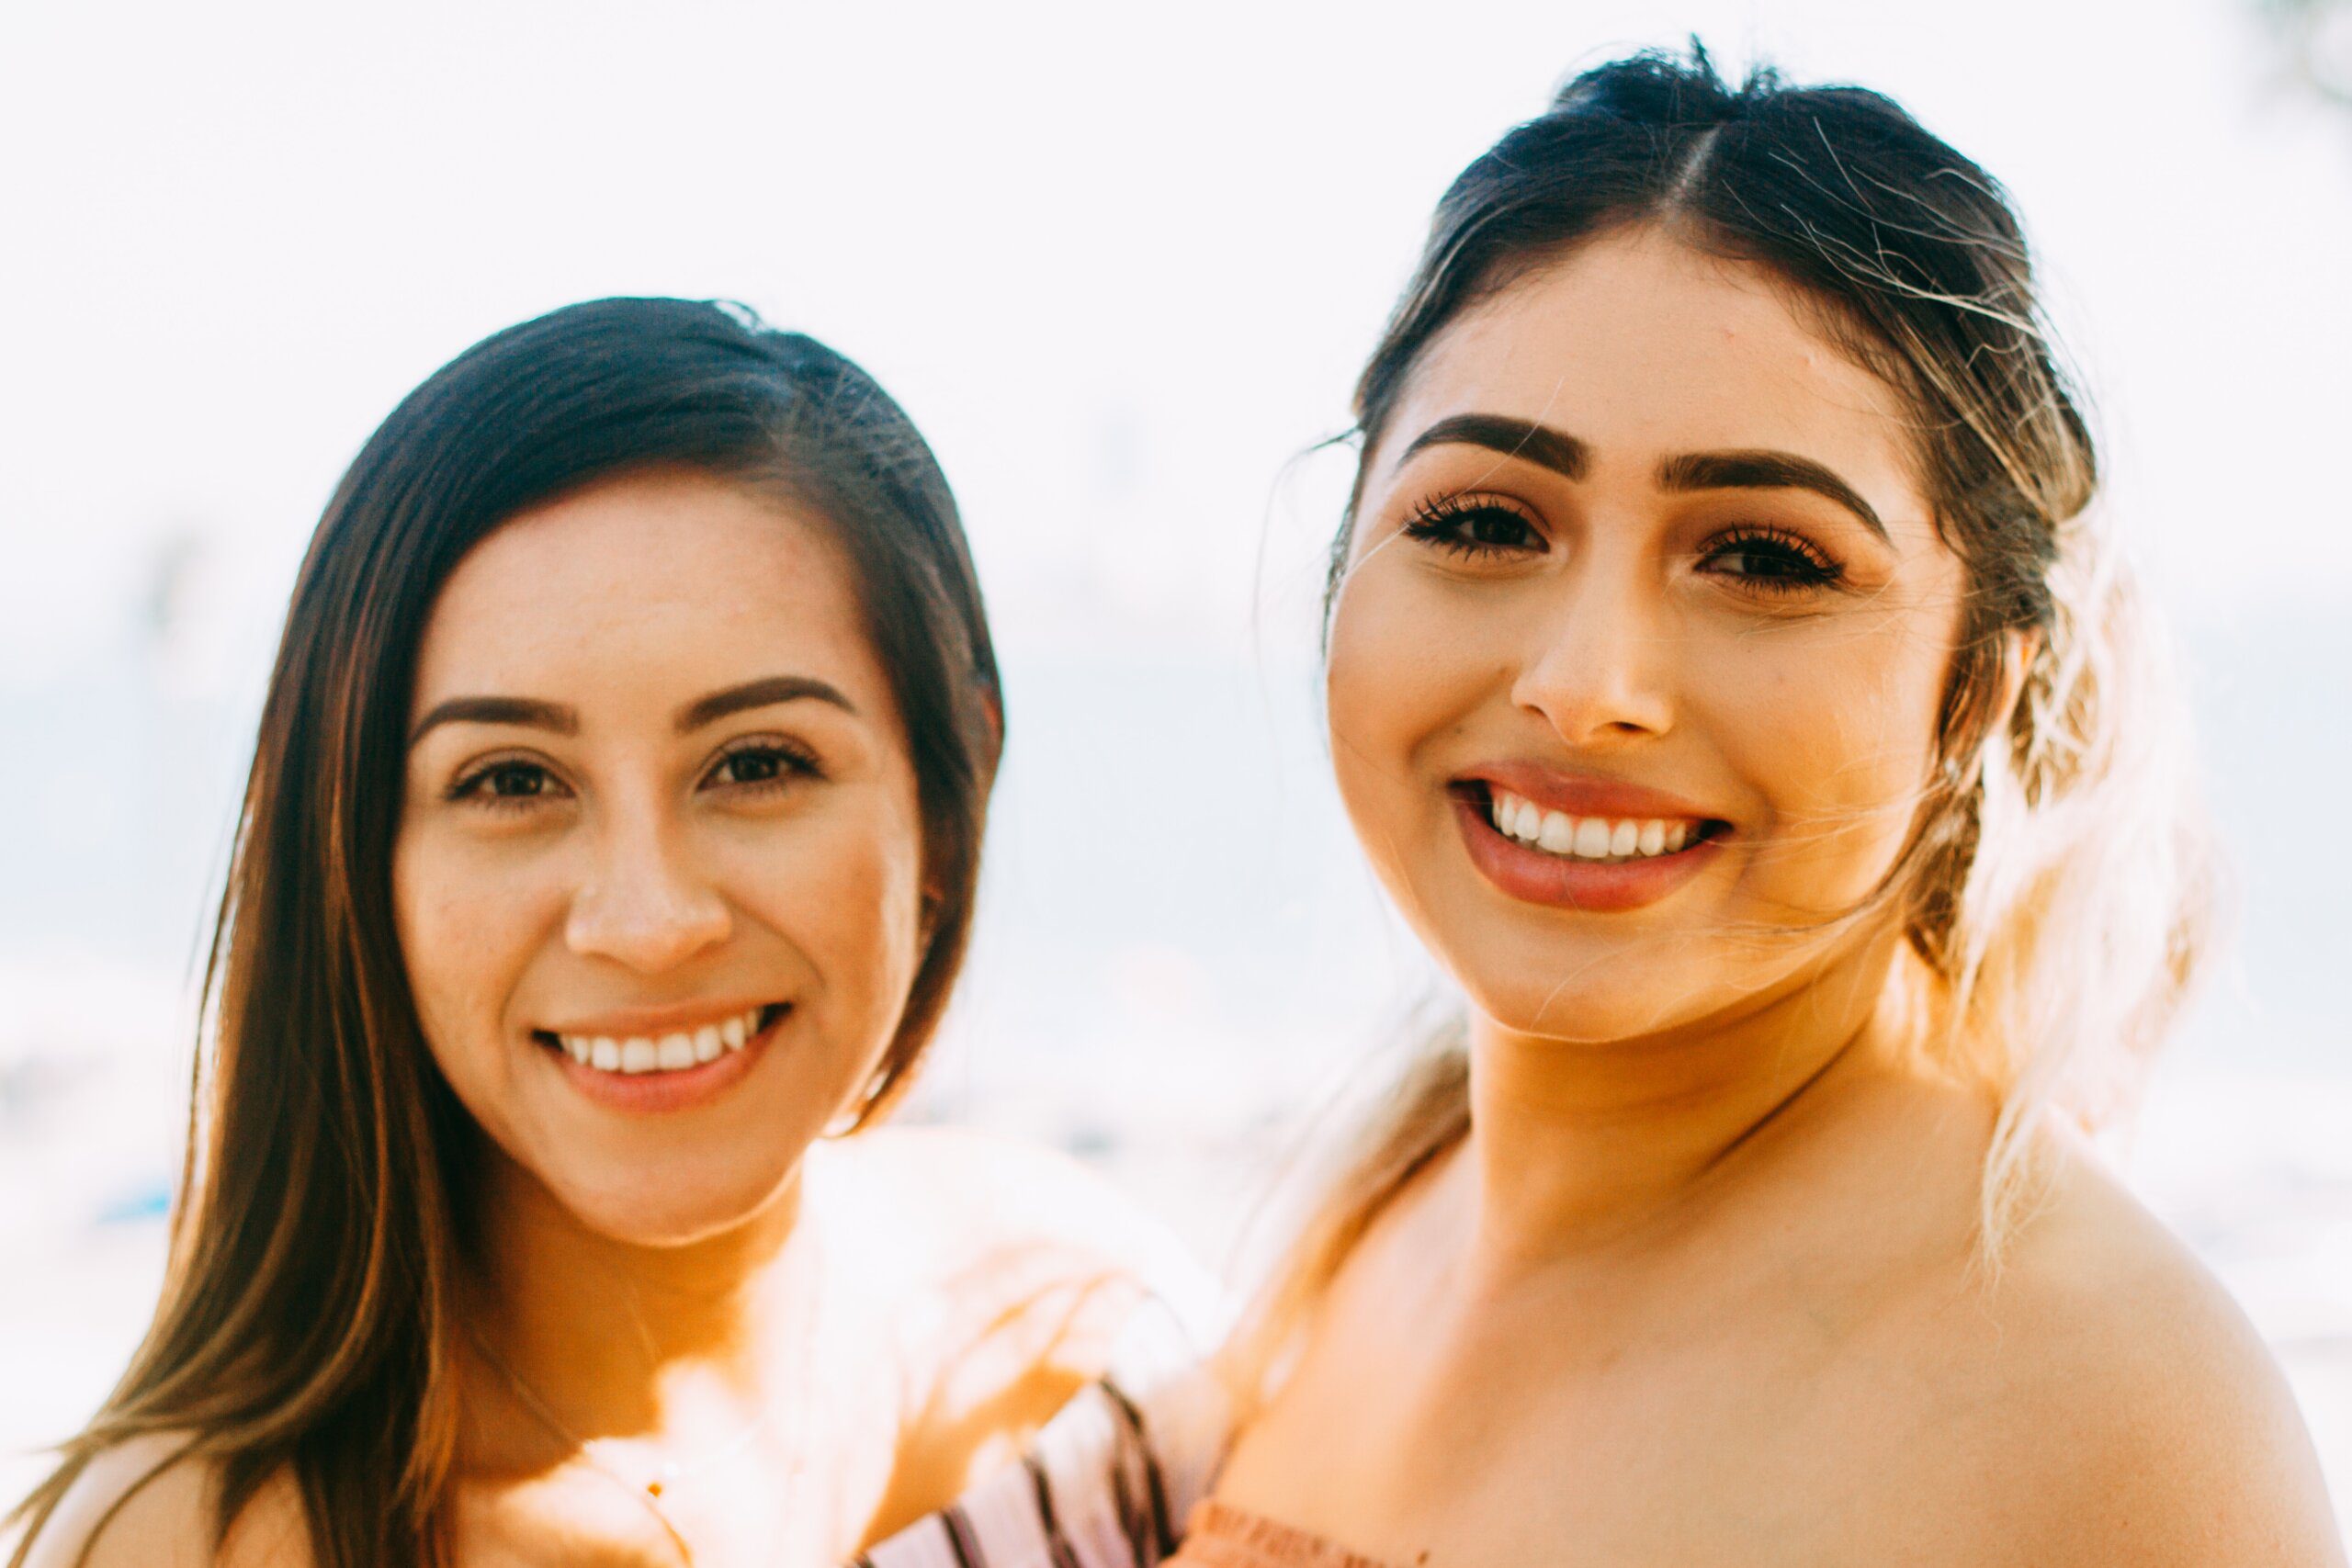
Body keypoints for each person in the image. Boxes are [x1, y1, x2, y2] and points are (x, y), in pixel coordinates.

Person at [1177, 47, 2345, 1568]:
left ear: (1975, 694)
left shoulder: (2104, 1421)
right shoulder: (1343, 1244)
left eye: (1767, 559)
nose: (1588, 685)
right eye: (1480, 522)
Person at [7, 299, 1223, 1568]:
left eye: (757, 763)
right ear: (359, 857)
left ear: (950, 779)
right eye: (512, 782)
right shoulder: (206, 1543)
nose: (649, 926)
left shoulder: (1088, 1348)